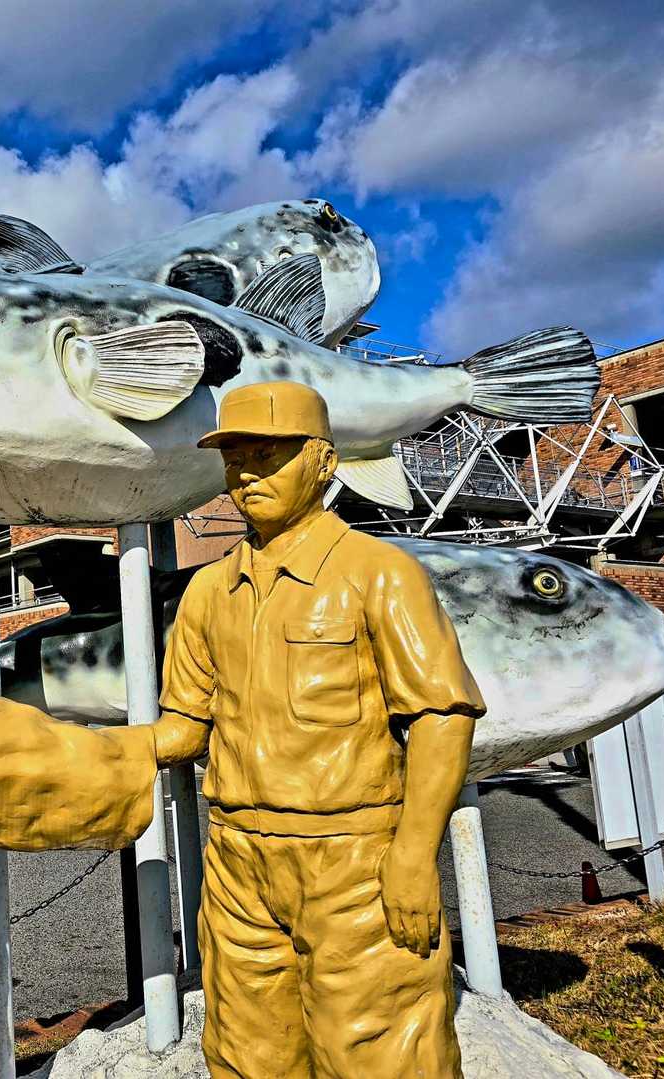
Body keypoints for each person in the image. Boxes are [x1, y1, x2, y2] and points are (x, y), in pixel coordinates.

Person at [150, 381, 486, 1079]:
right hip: (238, 859)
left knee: (380, 1052)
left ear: (323, 461)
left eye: (267, 456)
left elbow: (441, 717)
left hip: (354, 859)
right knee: (247, 1053)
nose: (247, 475)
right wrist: (67, 756)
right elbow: (183, 726)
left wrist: (413, 854)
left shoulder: (378, 572)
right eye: (235, 459)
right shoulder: (207, 592)